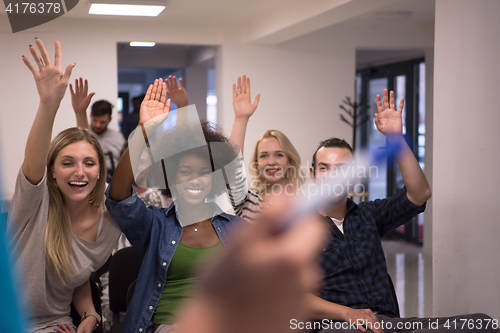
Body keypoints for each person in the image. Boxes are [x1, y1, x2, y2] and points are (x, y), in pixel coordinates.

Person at [306, 89, 497, 333]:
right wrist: (347, 313)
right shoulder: (298, 228)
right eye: (324, 168)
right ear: (312, 175)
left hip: (388, 325)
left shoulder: (368, 215)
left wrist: (396, 139)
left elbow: (419, 195)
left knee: (482, 323)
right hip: (338, 326)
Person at [105, 78, 246, 333]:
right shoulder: (156, 225)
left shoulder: (237, 228)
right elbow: (118, 197)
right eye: (185, 171)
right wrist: (144, 130)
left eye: (204, 172)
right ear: (171, 176)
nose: (195, 179)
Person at [7, 39, 121, 333]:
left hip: (57, 326)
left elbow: (75, 276)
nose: (79, 172)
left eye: (89, 164)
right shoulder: (35, 202)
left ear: (100, 173)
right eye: (67, 163)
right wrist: (49, 104)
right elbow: (33, 163)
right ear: (52, 172)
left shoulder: (108, 224)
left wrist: (91, 316)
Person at [228, 75, 305, 221]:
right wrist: (240, 119)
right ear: (257, 164)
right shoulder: (248, 202)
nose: (271, 162)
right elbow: (231, 171)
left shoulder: (305, 207)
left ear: (289, 161)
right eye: (263, 156)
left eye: (279, 155)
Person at [89, 99, 124, 181]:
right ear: (90, 115)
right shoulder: (83, 134)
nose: (98, 125)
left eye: (102, 122)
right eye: (95, 120)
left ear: (110, 119)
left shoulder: (118, 138)